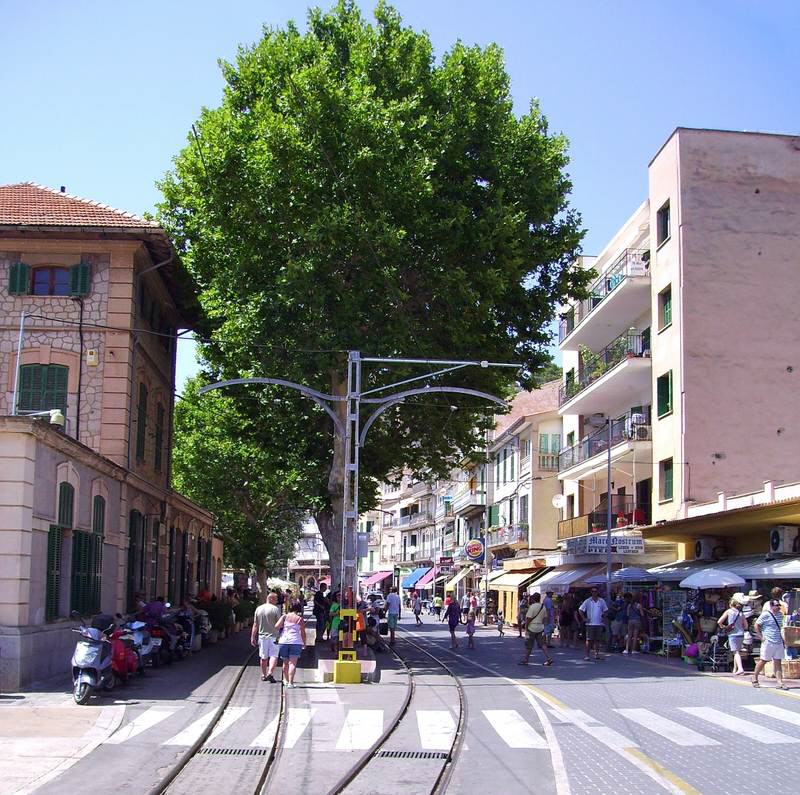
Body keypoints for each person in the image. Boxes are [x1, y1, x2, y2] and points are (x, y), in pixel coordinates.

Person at [752, 598, 787, 689]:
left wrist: (783, 640)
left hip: (778, 641)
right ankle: (754, 677)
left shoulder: (780, 615)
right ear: (771, 606)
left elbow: (780, 628)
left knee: (778, 661)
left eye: (779, 605)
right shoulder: (766, 615)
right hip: (768, 641)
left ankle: (780, 682)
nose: (778, 607)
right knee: (763, 660)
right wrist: (760, 636)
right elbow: (757, 625)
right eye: (776, 605)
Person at [274, 600, 306, 688]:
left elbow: (276, 626)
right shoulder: (299, 619)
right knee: (293, 663)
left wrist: (284, 627)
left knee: (285, 663)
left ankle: (286, 680)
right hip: (296, 642)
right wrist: (304, 643)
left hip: (283, 641)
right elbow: (303, 633)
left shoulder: (284, 617)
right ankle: (291, 683)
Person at [251, 593, 281, 682]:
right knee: (274, 656)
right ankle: (270, 673)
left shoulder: (258, 609)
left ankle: (264, 675)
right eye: (276, 599)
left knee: (263, 657)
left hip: (262, 637)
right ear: (271, 599)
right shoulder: (275, 609)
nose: (277, 601)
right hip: (274, 636)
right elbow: (279, 624)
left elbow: (255, 624)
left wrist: (253, 637)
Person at [519, 593, 553, 666]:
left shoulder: (532, 607)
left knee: (529, 645)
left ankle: (526, 660)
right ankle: (549, 658)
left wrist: (526, 628)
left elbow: (528, 618)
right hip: (540, 628)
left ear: (533, 599)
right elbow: (545, 618)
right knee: (543, 644)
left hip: (532, 628)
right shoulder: (543, 607)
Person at [718, 595, 747, 675]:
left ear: (730, 604)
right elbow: (746, 626)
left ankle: (740, 668)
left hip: (733, 634)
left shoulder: (728, 611)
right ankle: (735, 669)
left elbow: (719, 621)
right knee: (737, 651)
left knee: (736, 652)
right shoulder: (741, 613)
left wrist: (723, 627)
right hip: (741, 634)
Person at [579, 588, 609, 661]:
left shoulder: (601, 601)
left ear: (597, 592)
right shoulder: (588, 601)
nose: (594, 593)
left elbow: (606, 610)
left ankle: (596, 654)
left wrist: (603, 617)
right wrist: (584, 618)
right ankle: (587, 655)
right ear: (591, 592)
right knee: (589, 640)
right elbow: (580, 609)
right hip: (590, 624)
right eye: (593, 591)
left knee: (598, 640)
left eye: (595, 591)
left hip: (599, 624)